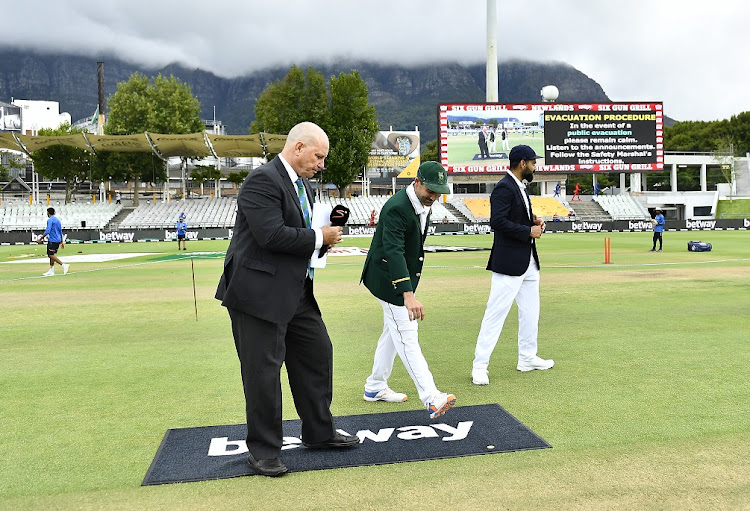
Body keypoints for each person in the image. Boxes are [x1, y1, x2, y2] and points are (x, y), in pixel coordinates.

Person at [215, 122, 357, 478]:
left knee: (317, 354)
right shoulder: (262, 180)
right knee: (263, 374)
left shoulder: (301, 183)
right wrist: (317, 236)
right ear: (297, 147)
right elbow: (270, 235)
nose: (321, 164)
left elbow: (295, 234)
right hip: (256, 295)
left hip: (296, 291)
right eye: (318, 156)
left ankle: (319, 433)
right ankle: (263, 451)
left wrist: (320, 240)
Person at [361, 161, 456, 419]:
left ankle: (375, 387)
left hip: (397, 278)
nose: (434, 196)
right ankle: (431, 398)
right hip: (387, 280)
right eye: (430, 190)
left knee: (392, 336)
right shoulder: (396, 208)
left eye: (438, 191)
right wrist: (407, 293)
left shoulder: (421, 203)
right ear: (417, 182)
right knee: (406, 334)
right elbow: (394, 251)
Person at [471, 145, 554, 386]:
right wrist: (528, 230)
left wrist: (535, 222)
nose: (534, 167)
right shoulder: (504, 187)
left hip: (528, 261)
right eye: (532, 163)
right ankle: (479, 365)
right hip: (509, 263)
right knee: (495, 314)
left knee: (531, 312)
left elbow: (515, 219)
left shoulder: (519, 187)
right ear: (522, 164)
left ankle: (527, 358)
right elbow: (497, 222)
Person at [36, 207, 69, 277]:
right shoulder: (57, 220)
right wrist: (62, 241)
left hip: (52, 240)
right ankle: (51, 271)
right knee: (51, 255)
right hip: (57, 239)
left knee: (50, 255)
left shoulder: (50, 220)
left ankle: (63, 265)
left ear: (48, 213)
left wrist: (41, 238)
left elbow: (48, 230)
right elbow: (60, 231)